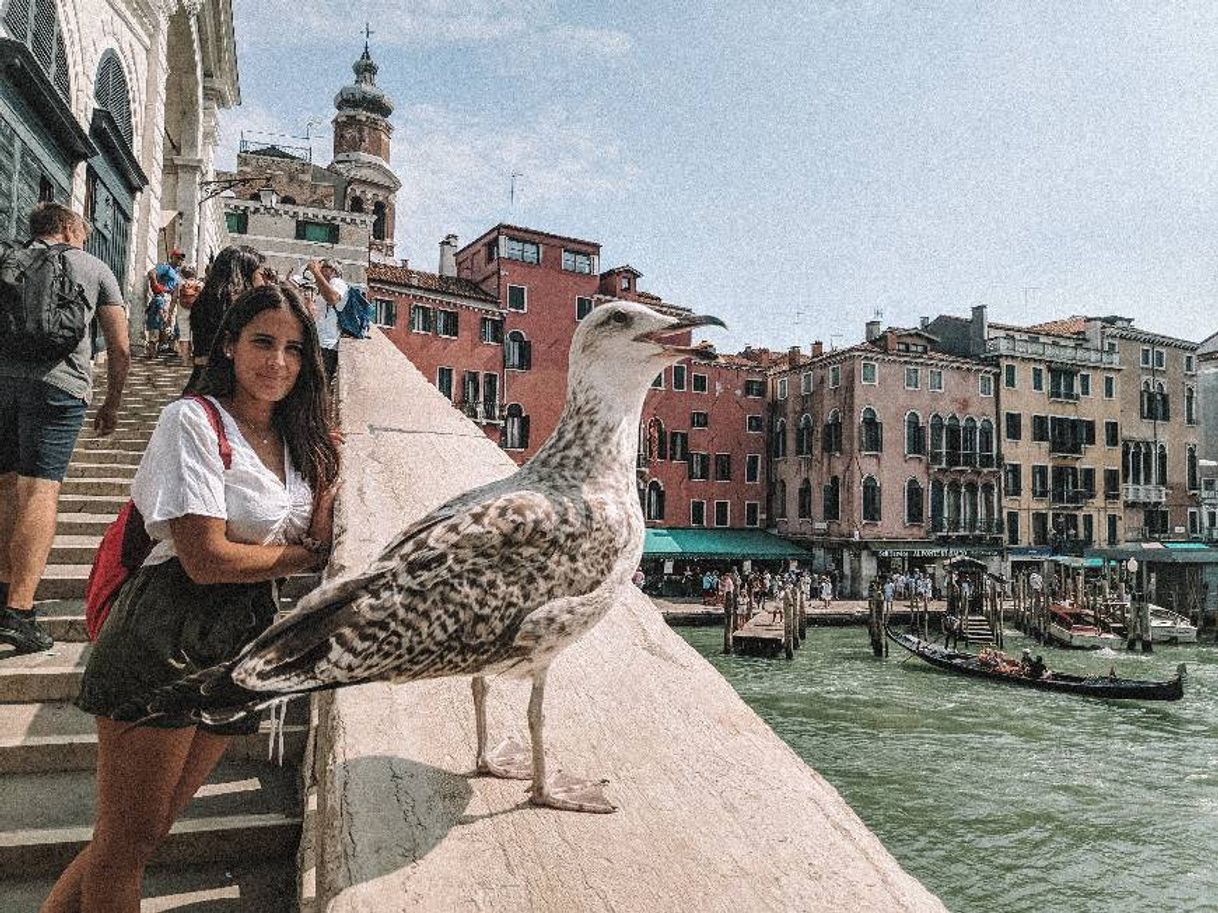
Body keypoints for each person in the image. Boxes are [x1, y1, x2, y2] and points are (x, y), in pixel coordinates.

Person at [45, 283, 339, 911]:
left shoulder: (299, 443)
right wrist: (302, 558)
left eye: (292, 348)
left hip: (241, 641)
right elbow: (207, 558)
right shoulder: (192, 420)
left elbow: (320, 539)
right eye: (262, 342)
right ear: (228, 344)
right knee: (125, 843)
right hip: (165, 632)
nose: (277, 362)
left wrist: (330, 485)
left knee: (143, 834)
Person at [0, 202, 130, 655]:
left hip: (3, 382)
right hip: (59, 389)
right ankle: (19, 611)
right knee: (40, 491)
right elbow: (120, 346)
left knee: (5, 487)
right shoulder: (93, 267)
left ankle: (3, 595)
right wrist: (111, 403)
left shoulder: (7, 258)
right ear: (71, 228)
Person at [185, 245, 267, 394]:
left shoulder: (206, 299)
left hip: (200, 380)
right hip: (225, 386)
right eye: (260, 274)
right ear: (245, 275)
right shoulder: (240, 306)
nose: (263, 281)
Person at [306, 258, 349, 381]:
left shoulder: (338, 283)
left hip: (327, 346)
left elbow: (333, 298)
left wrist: (315, 272)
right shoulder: (325, 287)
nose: (321, 270)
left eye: (323, 268)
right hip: (319, 343)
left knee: (319, 384)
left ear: (333, 271)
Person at [172, 266, 202, 366]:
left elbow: (174, 298)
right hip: (197, 312)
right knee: (196, 335)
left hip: (182, 312)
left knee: (184, 336)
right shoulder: (200, 284)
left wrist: (170, 312)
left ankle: (184, 361)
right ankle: (194, 360)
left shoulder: (180, 284)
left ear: (183, 274)